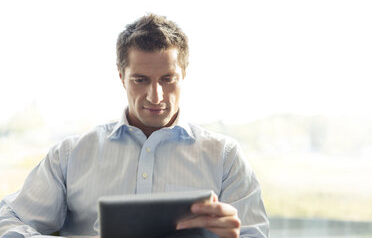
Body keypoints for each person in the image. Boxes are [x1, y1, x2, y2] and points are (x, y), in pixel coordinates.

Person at [0, 14, 269, 238]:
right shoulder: (70, 156)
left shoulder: (225, 157)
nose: (156, 96)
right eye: (140, 80)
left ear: (183, 74)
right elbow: (9, 221)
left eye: (167, 79)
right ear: (121, 76)